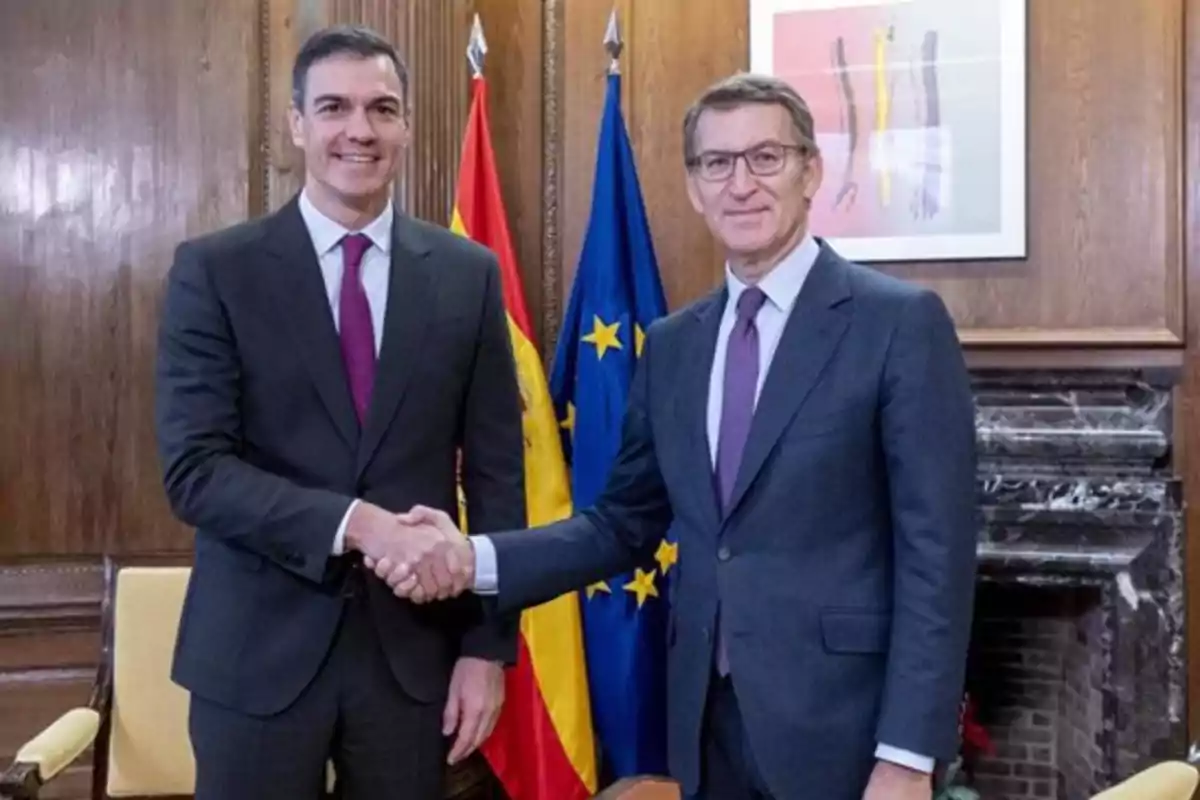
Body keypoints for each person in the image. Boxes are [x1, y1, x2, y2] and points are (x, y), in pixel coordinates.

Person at [378, 72, 980, 800]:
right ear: (694, 187)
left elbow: (936, 558)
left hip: (845, 734)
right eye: (717, 163)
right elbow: (621, 524)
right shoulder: (672, 346)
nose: (741, 184)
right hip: (703, 723)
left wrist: (909, 753)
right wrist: (471, 557)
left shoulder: (898, 324)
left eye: (766, 158)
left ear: (810, 171)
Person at [153, 24, 525, 800]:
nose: (360, 130)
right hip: (255, 657)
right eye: (334, 108)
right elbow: (196, 473)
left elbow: (497, 477)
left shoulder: (468, 276)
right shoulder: (216, 271)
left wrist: (487, 650)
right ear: (297, 124)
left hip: (414, 662)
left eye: (382, 109)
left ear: (406, 126)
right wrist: (360, 523)